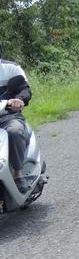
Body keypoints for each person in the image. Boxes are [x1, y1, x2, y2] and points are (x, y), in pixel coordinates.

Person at [0, 56, 33, 192]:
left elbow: (25, 89)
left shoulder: (11, 68)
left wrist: (18, 99)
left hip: (7, 115)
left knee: (14, 131)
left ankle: (18, 174)